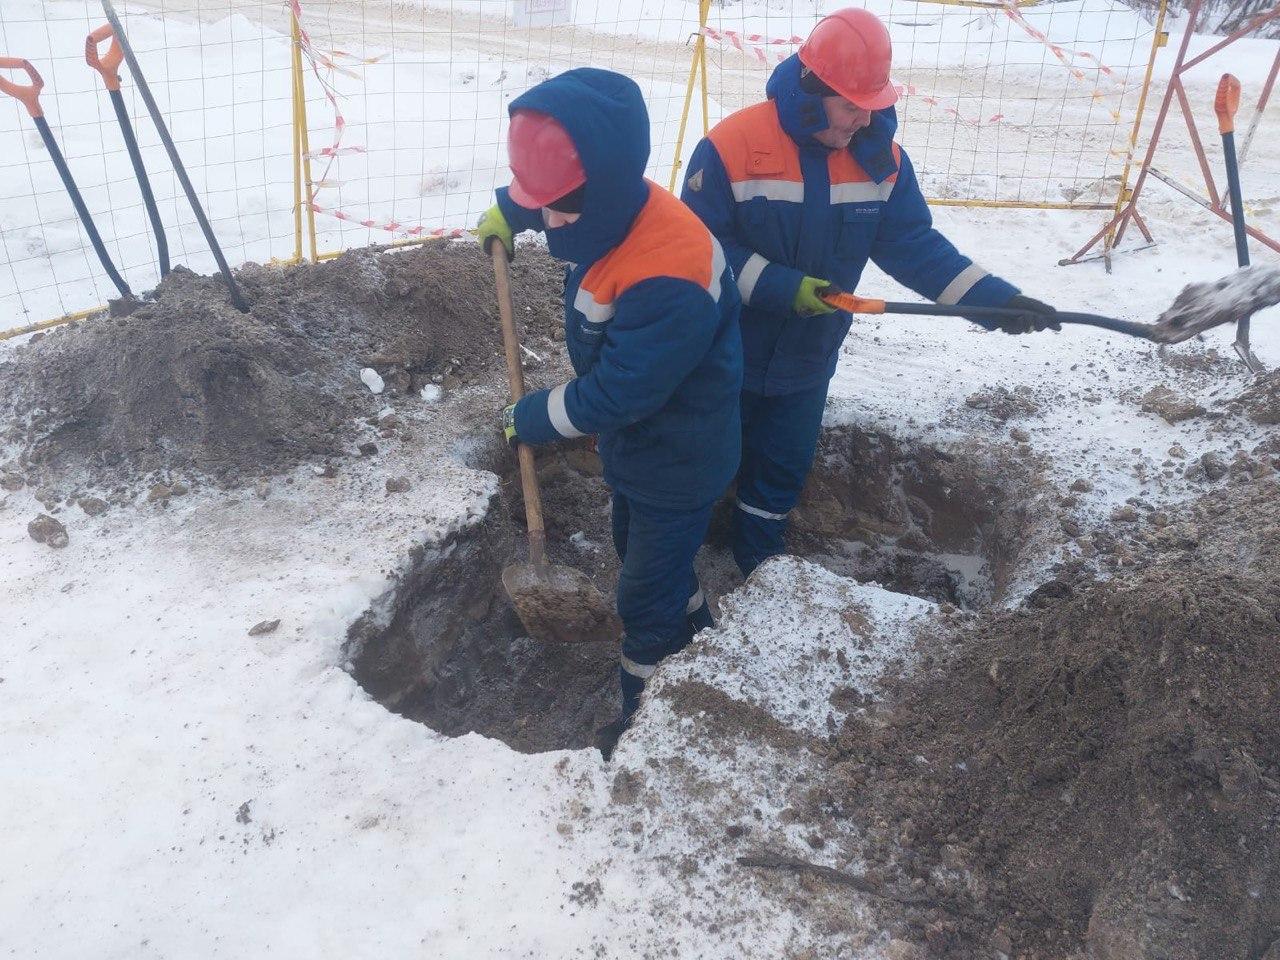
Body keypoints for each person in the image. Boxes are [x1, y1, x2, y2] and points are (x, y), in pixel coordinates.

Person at [680, 8, 1060, 577]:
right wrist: (783, 288)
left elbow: (915, 247)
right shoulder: (731, 145)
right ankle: (677, 577)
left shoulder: (879, 161)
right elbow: (697, 256)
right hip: (723, 355)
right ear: (812, 90)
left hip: (807, 363)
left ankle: (762, 579)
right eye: (851, 104)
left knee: (779, 477)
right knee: (698, 468)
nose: (863, 119)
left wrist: (995, 302)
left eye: (873, 105)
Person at [476, 68, 742, 751]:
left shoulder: (669, 272)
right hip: (641, 449)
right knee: (641, 550)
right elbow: (555, 194)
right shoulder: (605, 207)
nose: (551, 223)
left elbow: (623, 391)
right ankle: (699, 636)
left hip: (678, 457)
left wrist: (538, 417)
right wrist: (516, 208)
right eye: (543, 207)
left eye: (558, 210)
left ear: (608, 188)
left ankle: (645, 718)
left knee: (641, 599)